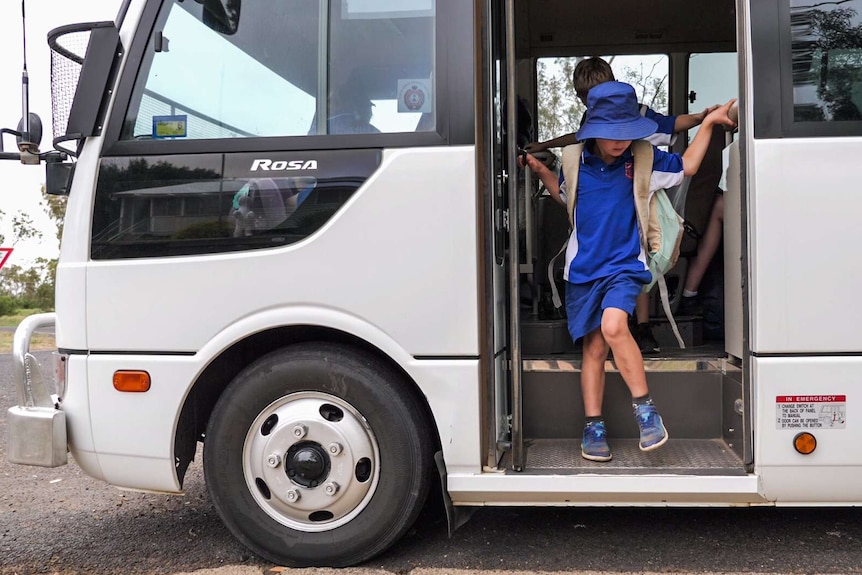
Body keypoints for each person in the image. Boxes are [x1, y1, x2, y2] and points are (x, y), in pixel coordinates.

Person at [521, 81, 736, 462]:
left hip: (624, 267)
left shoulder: (643, 159)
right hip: (582, 272)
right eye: (612, 134)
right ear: (593, 130)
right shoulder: (575, 162)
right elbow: (565, 197)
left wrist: (708, 124)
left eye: (627, 133)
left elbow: (687, 166)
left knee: (615, 326)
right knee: (594, 347)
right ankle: (593, 426)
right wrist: (540, 169)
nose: (620, 141)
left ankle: (646, 411)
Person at [526, 57, 718, 354]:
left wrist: (703, 118)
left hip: (641, 197)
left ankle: (641, 326)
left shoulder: (637, 114)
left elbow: (671, 124)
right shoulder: (587, 133)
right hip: (610, 205)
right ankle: (618, 328)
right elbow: (576, 143)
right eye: (585, 99)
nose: (592, 105)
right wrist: (544, 151)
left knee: (636, 259)